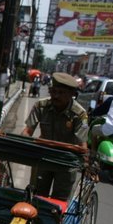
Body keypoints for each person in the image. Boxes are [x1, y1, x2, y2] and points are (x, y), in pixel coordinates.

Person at [21, 72, 89, 201]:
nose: (56, 96)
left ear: (71, 94)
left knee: (58, 204)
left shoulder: (81, 115)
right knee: (35, 198)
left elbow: (82, 143)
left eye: (61, 93)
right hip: (43, 157)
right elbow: (27, 131)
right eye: (53, 91)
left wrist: (85, 161)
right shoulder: (40, 106)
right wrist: (23, 145)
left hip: (66, 162)